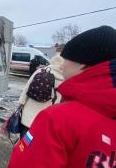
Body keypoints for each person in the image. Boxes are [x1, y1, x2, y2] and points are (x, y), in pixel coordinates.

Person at [8, 25, 116, 168]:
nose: (62, 66)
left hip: (31, 117)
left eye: (66, 59)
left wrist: (21, 104)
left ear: (82, 63)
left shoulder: (58, 120)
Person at [17, 54, 64, 137]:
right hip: (48, 117)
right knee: (40, 140)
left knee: (25, 139)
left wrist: (21, 102)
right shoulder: (65, 78)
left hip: (30, 112)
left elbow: (26, 88)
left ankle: (23, 148)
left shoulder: (41, 71)